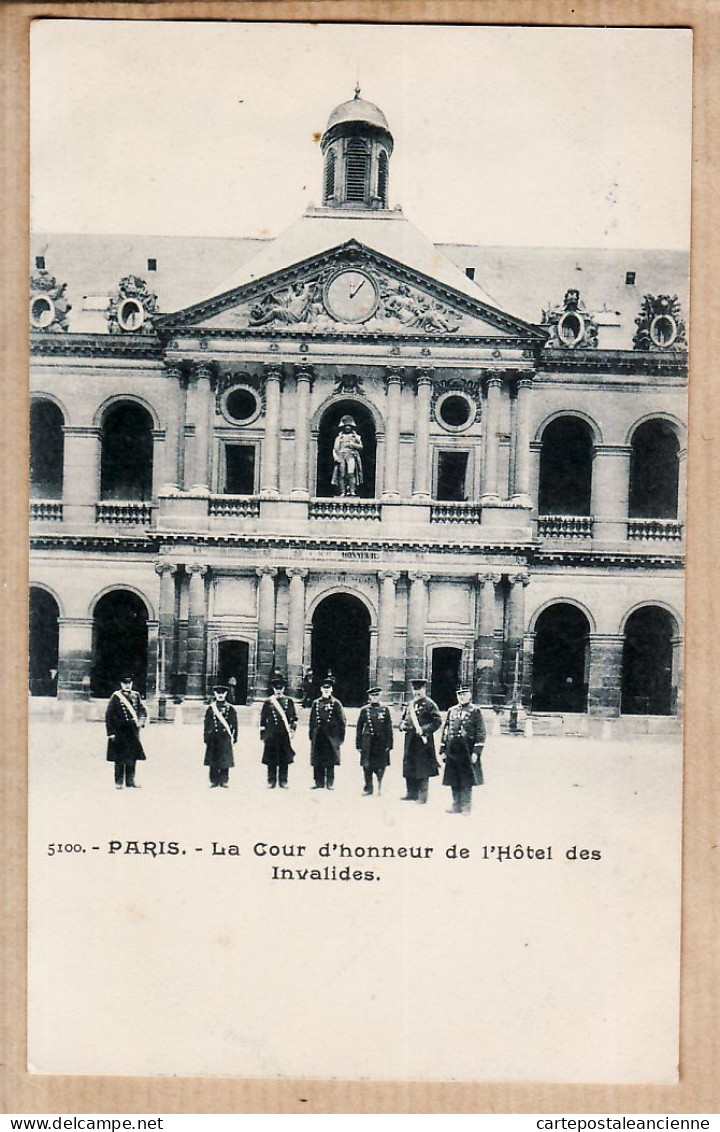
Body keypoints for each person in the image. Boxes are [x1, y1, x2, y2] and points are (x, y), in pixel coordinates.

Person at [439, 683, 486, 814]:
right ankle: (456, 805)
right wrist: (443, 749)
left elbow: (481, 732)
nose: (461, 697)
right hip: (452, 750)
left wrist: (477, 752)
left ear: (470, 695)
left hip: (467, 750)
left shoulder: (475, 711)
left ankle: (466, 806)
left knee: (466, 779)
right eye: (459, 694)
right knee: (453, 778)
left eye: (464, 694)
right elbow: (446, 730)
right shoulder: (451, 710)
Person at [399, 676, 442, 804]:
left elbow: (437, 721)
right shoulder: (410, 704)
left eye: (419, 689)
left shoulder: (430, 704)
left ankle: (422, 796)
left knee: (423, 767)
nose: (417, 692)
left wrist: (424, 729)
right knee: (409, 764)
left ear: (424, 689)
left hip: (423, 741)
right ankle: (411, 793)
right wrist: (402, 725)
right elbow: (404, 719)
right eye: (415, 689)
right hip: (410, 740)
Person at [105, 673, 147, 789]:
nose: (128, 686)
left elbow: (142, 711)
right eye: (125, 683)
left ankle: (130, 781)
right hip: (120, 731)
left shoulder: (136, 695)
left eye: (129, 683)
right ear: (121, 684)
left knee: (132, 756)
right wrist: (111, 733)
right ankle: (118, 782)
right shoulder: (116, 697)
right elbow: (109, 715)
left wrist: (141, 722)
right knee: (119, 757)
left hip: (133, 731)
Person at [260, 672, 298, 789]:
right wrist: (263, 734)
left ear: (284, 689)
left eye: (280, 688)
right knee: (271, 758)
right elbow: (263, 719)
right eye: (276, 689)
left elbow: (294, 718)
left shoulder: (289, 702)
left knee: (284, 758)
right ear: (273, 689)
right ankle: (271, 780)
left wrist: (292, 730)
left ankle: (283, 780)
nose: (278, 691)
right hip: (271, 734)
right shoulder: (268, 702)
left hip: (283, 734)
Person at [309, 676, 346, 790]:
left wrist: (340, 738)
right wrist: (311, 735)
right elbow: (312, 720)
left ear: (331, 690)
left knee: (330, 760)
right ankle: (318, 782)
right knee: (317, 760)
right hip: (319, 735)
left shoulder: (336, 704)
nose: (326, 690)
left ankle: (330, 782)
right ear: (320, 689)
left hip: (331, 737)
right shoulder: (316, 703)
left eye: (328, 688)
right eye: (324, 688)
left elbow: (342, 721)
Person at [356, 686, 393, 795]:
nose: (375, 698)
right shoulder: (364, 710)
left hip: (381, 743)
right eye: (373, 696)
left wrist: (389, 744)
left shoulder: (385, 710)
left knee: (381, 766)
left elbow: (389, 728)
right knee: (367, 766)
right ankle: (368, 788)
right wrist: (358, 744)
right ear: (369, 697)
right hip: (368, 743)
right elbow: (359, 728)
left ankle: (380, 787)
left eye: (377, 695)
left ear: (380, 696)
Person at [204, 683, 238, 788]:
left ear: (226, 694)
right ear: (214, 693)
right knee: (213, 759)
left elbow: (235, 724)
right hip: (213, 737)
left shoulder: (230, 708)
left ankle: (224, 780)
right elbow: (207, 723)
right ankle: (214, 780)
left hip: (225, 737)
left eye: (222, 693)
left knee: (225, 759)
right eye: (218, 693)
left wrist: (234, 737)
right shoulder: (211, 708)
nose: (220, 695)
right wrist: (206, 737)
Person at [331, 415, 363, 497]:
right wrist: (336, 457)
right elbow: (335, 449)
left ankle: (352, 491)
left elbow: (361, 447)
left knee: (351, 472)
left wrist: (353, 445)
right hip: (341, 456)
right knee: (342, 474)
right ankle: (343, 491)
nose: (347, 427)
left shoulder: (356, 437)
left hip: (351, 455)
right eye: (346, 426)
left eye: (349, 426)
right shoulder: (339, 437)